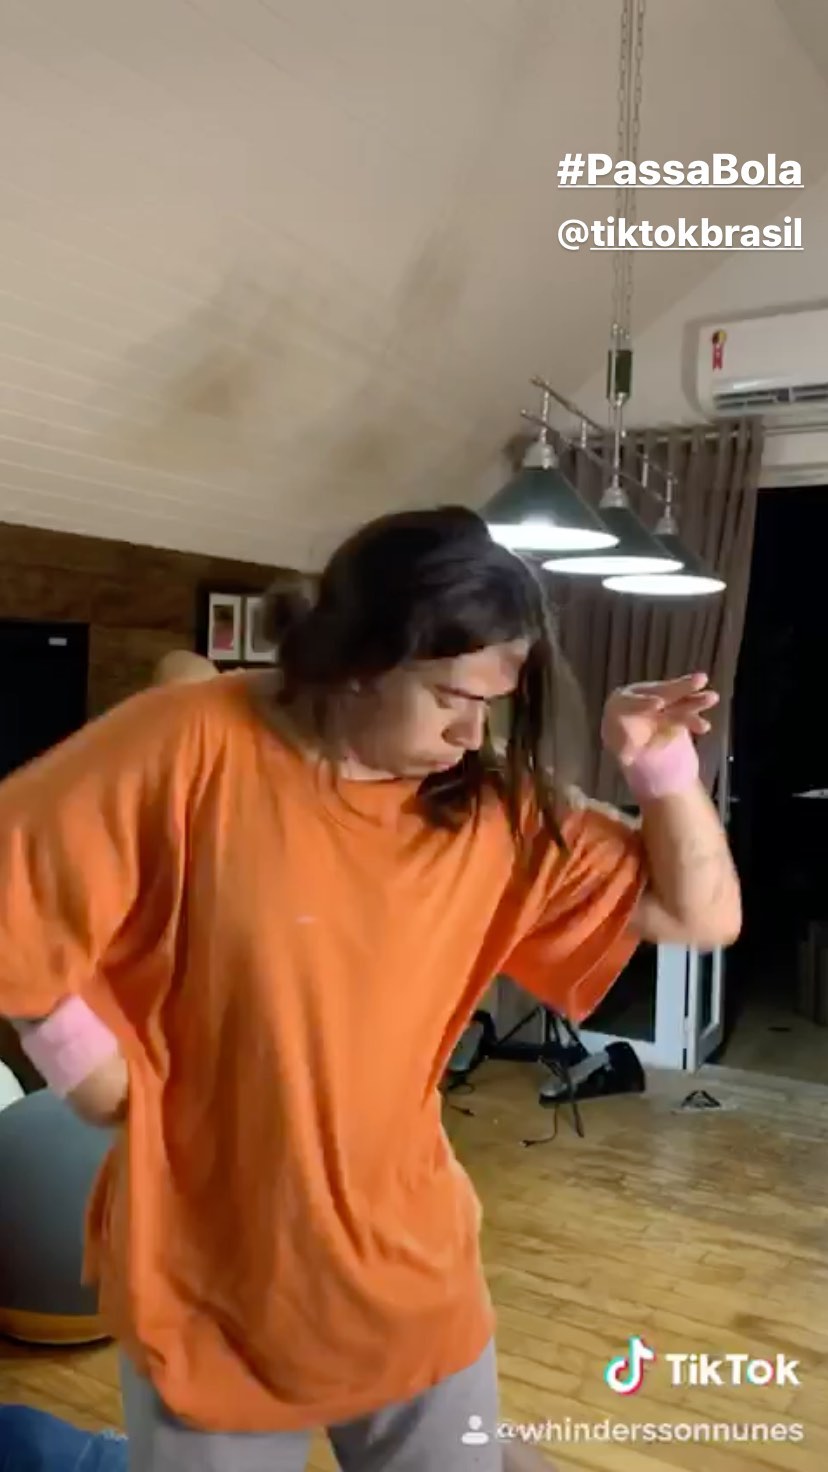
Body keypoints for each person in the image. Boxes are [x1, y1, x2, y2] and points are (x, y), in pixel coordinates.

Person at [0, 507, 740, 1471]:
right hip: (211, 1278)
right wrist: (82, 1061)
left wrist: (659, 764)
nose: (473, 733)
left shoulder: (489, 809)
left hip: (410, 1269)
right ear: (358, 659)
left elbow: (700, 916)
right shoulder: (192, 741)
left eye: (494, 704)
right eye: (450, 697)